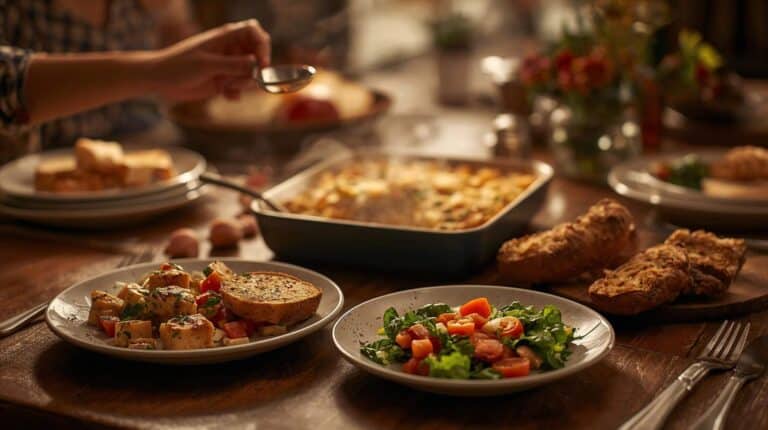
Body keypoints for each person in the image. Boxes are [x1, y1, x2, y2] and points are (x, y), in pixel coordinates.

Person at [0, 0, 271, 161]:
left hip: (157, 162)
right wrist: (158, 69)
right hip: (35, 199)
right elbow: (9, 80)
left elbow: (176, 34)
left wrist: (212, 64)